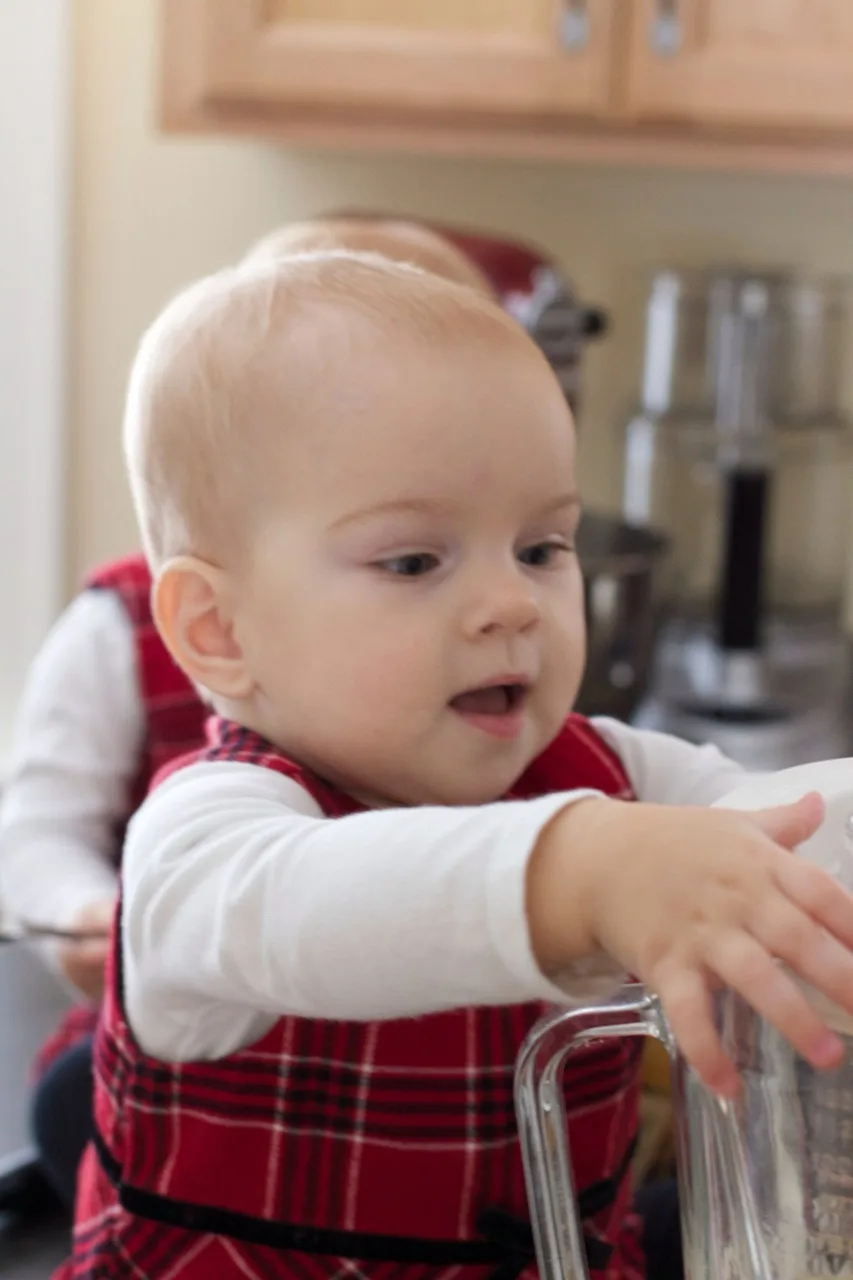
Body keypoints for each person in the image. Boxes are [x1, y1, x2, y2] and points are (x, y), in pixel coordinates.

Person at [55, 252, 853, 1280]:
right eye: (414, 561)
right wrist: (582, 872)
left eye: (541, 546)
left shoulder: (609, 778)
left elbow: (793, 822)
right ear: (218, 627)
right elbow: (323, 909)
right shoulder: (204, 842)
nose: (512, 602)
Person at [0, 218, 498, 1211]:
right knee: (73, 1103)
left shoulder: (496, 623)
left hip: (433, 1087)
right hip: (200, 1054)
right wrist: (92, 917)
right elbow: (35, 832)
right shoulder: (124, 623)